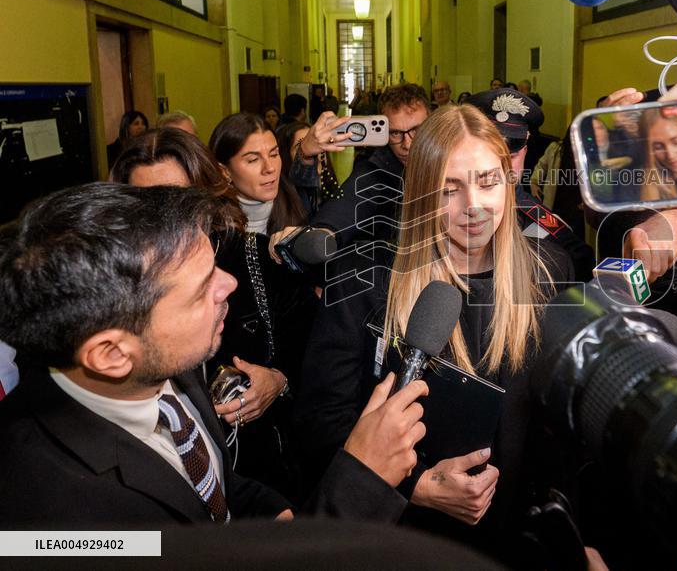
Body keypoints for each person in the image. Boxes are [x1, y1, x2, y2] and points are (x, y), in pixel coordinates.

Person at [0, 183, 428, 526]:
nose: (229, 285)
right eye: (201, 288)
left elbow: (200, 482)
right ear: (111, 354)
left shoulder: (163, 366)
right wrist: (362, 480)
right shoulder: (56, 516)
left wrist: (270, 509)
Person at [295, 105, 573, 563]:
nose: (474, 207)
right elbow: (320, 422)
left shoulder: (549, 271)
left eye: (488, 182)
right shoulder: (366, 278)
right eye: (450, 189)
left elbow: (556, 431)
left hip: (513, 540)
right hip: (407, 540)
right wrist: (418, 485)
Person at [110, 127, 315, 501]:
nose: (165, 217)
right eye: (147, 203)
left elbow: (314, 353)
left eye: (179, 199)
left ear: (206, 193)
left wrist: (279, 381)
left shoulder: (257, 258)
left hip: (264, 475)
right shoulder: (119, 286)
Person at [466, 88, 594, 280]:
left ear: (525, 150)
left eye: (512, 155)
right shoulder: (453, 207)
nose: (502, 166)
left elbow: (581, 267)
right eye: (493, 155)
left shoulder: (539, 223)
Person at [302, 83, 431, 249]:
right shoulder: (374, 171)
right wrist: (319, 236)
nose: (407, 144)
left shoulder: (454, 159)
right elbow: (345, 207)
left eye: (416, 130)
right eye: (395, 133)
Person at [209, 113, 307, 235]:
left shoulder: (297, 205)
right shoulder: (209, 229)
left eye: (274, 154)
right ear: (225, 171)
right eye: (253, 160)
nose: (270, 168)